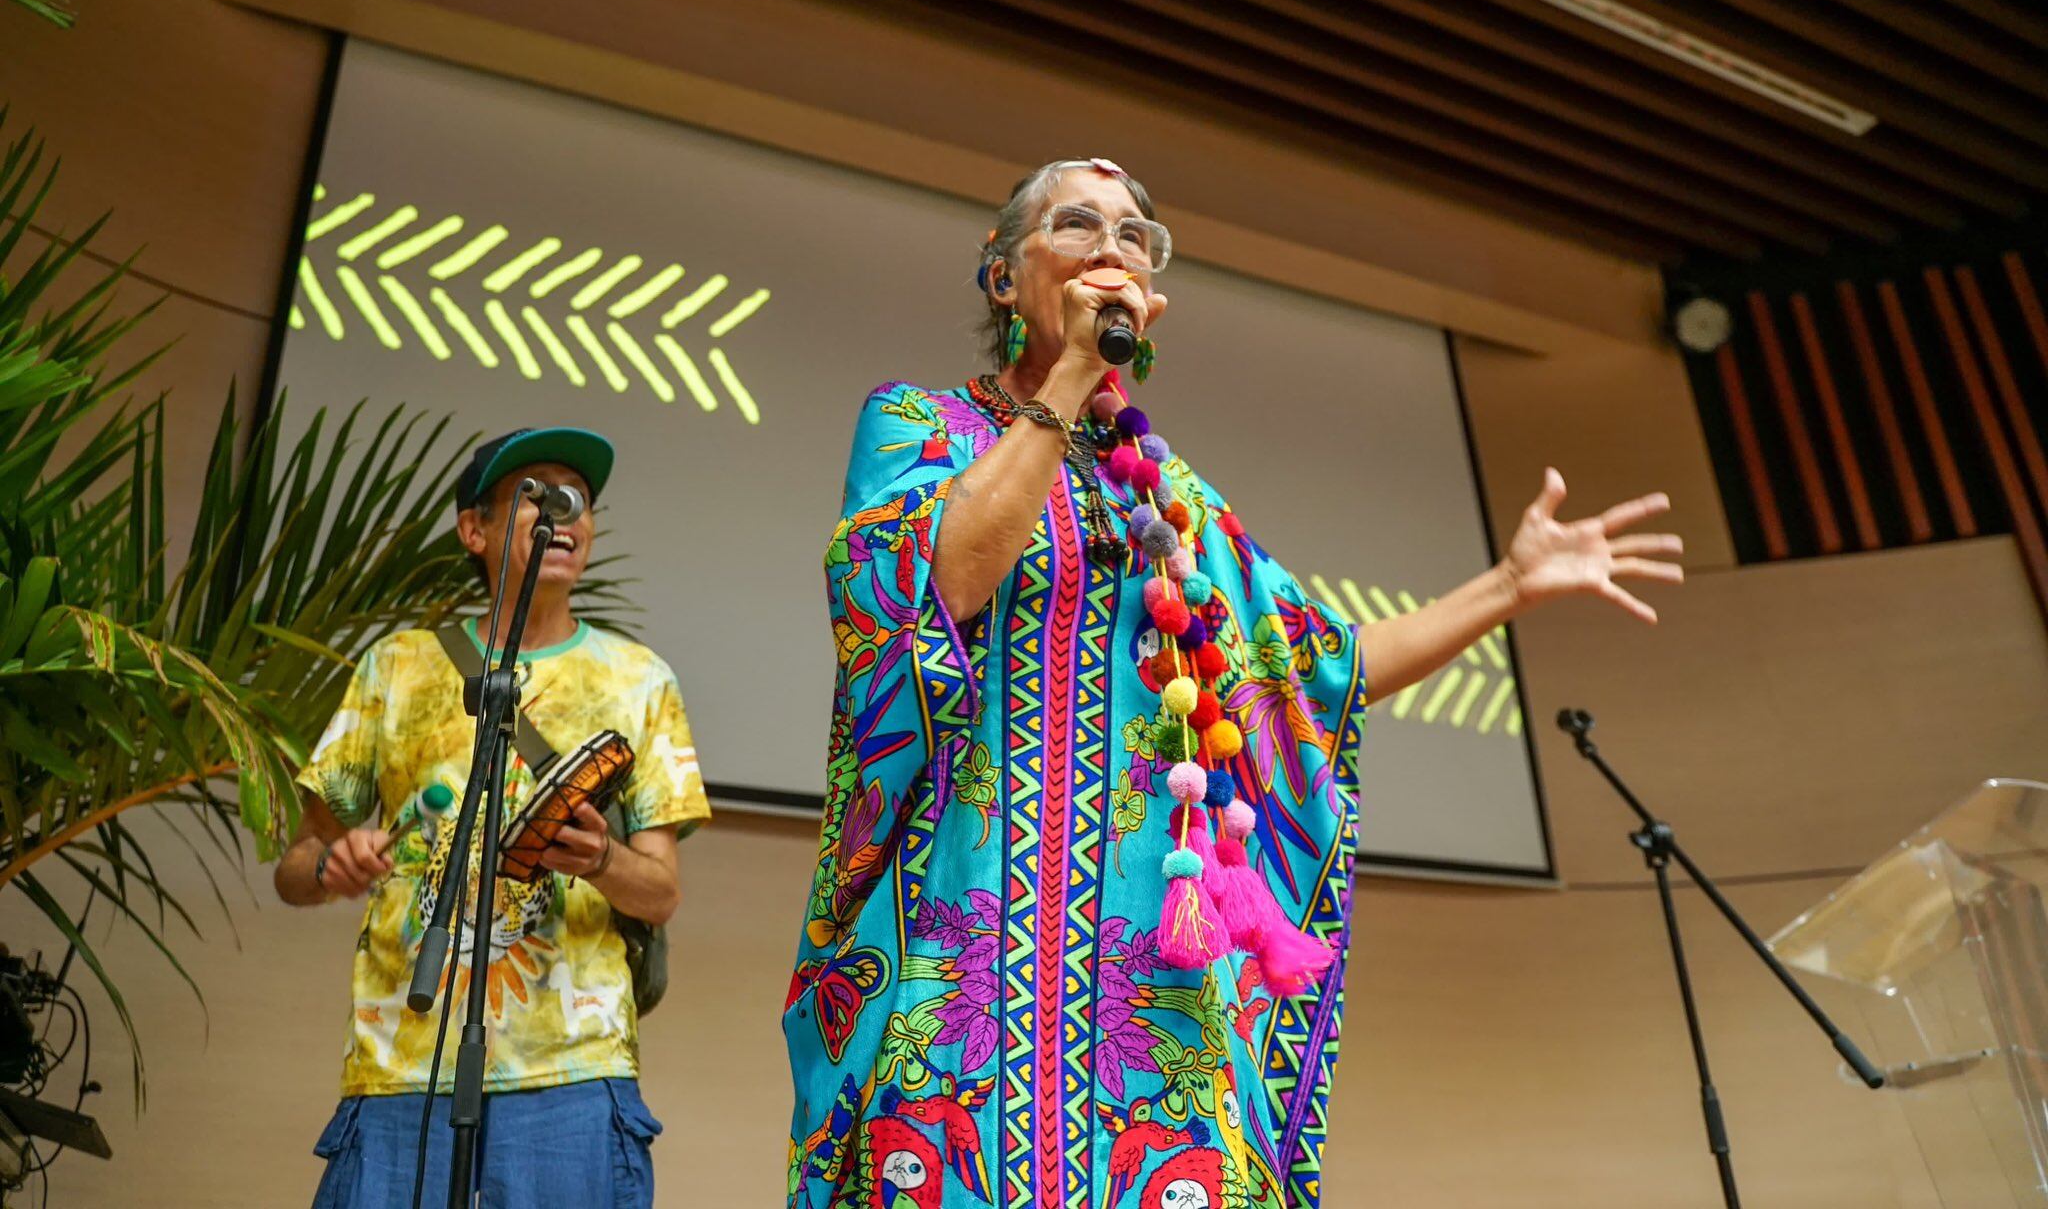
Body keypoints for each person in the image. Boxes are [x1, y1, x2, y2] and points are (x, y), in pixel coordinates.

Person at [783, 159, 1684, 1208]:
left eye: (1135, 234)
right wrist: (1071, 374)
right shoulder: (917, 427)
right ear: (1000, 278)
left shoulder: (1173, 502)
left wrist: (1507, 585)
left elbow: (1308, 676)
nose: (1112, 246)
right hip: (959, 950)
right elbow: (942, 580)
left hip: (1154, 976)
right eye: (1077, 225)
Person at [276, 427, 711, 1208]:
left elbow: (662, 894)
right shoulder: (397, 667)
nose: (567, 516)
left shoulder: (640, 680)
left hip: (573, 1075)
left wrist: (601, 860)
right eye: (537, 497)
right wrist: (329, 866)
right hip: (403, 1062)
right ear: (473, 529)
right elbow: (295, 867)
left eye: (579, 501)